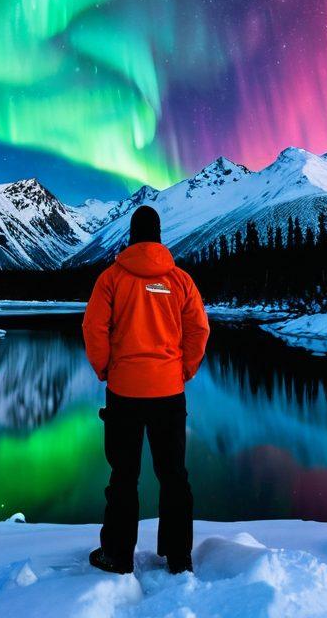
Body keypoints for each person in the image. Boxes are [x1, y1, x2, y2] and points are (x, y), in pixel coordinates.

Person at [82, 205, 210, 575]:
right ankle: (178, 556)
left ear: (131, 236)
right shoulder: (180, 280)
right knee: (174, 476)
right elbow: (199, 330)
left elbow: (94, 329)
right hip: (169, 393)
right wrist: (182, 369)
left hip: (124, 393)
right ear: (159, 236)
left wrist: (106, 368)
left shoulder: (111, 279)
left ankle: (118, 556)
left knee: (124, 476)